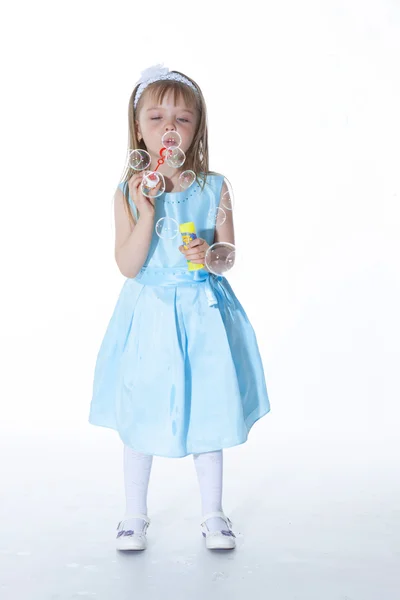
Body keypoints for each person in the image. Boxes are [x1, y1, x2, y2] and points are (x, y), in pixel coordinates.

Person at [88, 64, 271, 552]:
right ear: (138, 129)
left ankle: (213, 512)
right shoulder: (129, 193)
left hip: (202, 310)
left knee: (208, 404)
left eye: (182, 120)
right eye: (157, 118)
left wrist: (210, 255)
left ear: (197, 129)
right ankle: (133, 515)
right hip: (150, 312)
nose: (170, 128)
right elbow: (128, 265)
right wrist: (147, 215)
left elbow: (228, 256)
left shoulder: (215, 187)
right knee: (141, 406)